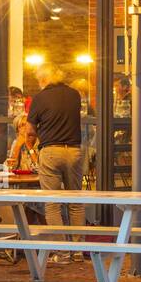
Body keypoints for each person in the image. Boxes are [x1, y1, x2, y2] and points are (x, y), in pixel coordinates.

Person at [27, 62, 85, 228]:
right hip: (74, 151)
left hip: (51, 151)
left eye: (39, 79)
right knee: (76, 203)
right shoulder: (75, 94)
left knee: (52, 204)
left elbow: (30, 130)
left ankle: (62, 251)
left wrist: (36, 139)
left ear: (44, 78)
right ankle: (78, 250)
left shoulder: (40, 97)